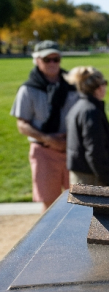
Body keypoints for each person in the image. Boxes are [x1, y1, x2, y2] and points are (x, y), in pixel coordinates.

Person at [10, 40, 78, 210]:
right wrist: (48, 139)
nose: (53, 63)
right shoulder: (28, 89)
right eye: (48, 59)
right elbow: (22, 124)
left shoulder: (72, 84)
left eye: (56, 59)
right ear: (37, 60)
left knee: (78, 201)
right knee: (50, 205)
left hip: (72, 150)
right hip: (44, 153)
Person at [65, 67, 109, 186]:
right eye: (104, 83)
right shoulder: (91, 111)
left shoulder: (79, 107)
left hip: (82, 175)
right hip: (91, 177)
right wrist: (106, 179)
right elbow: (94, 150)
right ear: (99, 87)